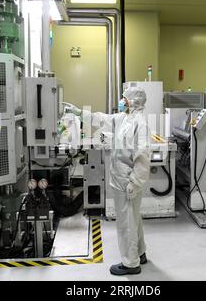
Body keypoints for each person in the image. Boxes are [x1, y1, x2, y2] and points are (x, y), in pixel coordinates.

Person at [63, 87, 151, 276]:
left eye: (124, 98)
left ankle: (130, 263)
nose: (121, 101)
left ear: (133, 101)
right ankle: (140, 253)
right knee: (134, 218)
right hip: (121, 177)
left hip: (127, 182)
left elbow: (143, 157)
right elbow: (103, 119)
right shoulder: (124, 118)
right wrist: (80, 112)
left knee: (126, 223)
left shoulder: (140, 124)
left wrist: (134, 182)